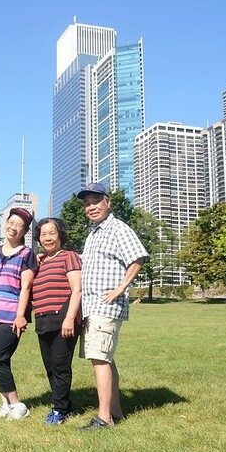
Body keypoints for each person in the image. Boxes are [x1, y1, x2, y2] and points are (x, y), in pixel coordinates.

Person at [76, 182, 148, 430]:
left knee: (99, 358)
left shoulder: (118, 228)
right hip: (92, 306)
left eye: (96, 201)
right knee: (105, 357)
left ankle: (104, 418)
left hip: (106, 305)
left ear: (108, 202)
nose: (91, 207)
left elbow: (138, 256)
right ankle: (115, 410)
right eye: (87, 204)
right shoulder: (94, 233)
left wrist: (121, 288)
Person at [0, 207, 37, 420]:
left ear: (24, 232)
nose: (14, 228)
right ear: (6, 223)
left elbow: (25, 288)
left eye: (19, 226)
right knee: (1, 361)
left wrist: (21, 315)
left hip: (12, 315)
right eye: (11, 223)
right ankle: (4, 403)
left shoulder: (26, 254)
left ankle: (17, 405)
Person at [31, 217, 82, 425]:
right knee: (50, 366)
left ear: (60, 234)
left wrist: (70, 318)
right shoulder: (41, 262)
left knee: (61, 365)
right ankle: (64, 404)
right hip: (43, 319)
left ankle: (59, 410)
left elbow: (77, 289)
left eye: (52, 233)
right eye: (43, 234)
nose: (48, 237)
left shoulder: (69, 256)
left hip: (63, 318)